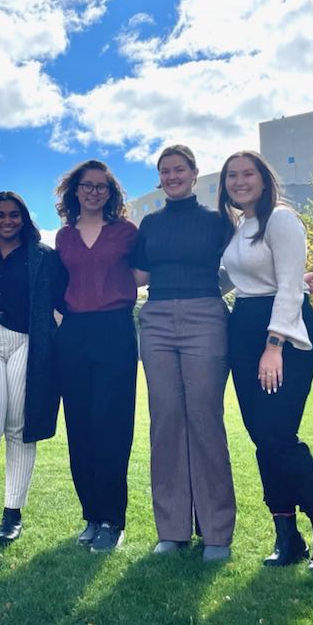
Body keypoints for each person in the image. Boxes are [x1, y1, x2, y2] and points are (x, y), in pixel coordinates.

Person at [218, 150, 313, 574]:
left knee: (279, 435)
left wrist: (274, 344)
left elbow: (290, 286)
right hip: (244, 326)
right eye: (232, 176)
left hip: (282, 331)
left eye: (247, 174)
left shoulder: (281, 219)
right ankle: (287, 536)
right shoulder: (239, 228)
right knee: (263, 439)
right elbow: (226, 280)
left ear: (264, 177)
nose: (240, 181)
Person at [132, 145, 236, 562]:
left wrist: (290, 277)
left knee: (205, 418)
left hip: (206, 317)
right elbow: (137, 275)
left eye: (179, 169)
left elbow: (242, 266)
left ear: (194, 174)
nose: (172, 176)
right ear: (160, 179)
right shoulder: (150, 224)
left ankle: (216, 533)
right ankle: (171, 529)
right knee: (166, 421)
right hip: (155, 319)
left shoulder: (217, 222)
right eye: (165, 171)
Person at [0, 192, 66, 550]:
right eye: (0, 215)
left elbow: (65, 299)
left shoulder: (44, 257)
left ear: (24, 218)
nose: (7, 221)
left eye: (14, 215)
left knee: (20, 428)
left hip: (27, 343)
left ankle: (12, 514)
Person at [54, 160, 138, 552]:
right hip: (74, 333)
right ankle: (91, 515)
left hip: (115, 330)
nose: (93, 192)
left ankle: (113, 520)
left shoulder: (126, 232)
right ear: (75, 191)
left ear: (111, 193)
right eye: (86, 186)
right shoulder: (64, 237)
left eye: (101, 187)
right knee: (81, 425)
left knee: (113, 425)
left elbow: (145, 274)